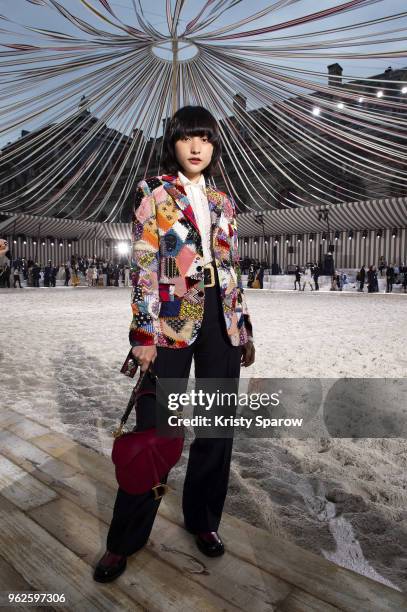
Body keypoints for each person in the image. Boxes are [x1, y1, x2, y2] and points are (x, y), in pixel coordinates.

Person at [94, 105, 255, 583]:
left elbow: (231, 269)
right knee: (156, 430)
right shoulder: (154, 193)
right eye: (188, 138)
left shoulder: (225, 202)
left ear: (213, 145)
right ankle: (124, 542)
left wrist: (242, 328)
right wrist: (143, 332)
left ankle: (203, 521)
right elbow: (145, 267)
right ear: (174, 143)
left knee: (215, 429)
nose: (197, 146)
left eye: (204, 138)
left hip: (218, 315)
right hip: (173, 315)